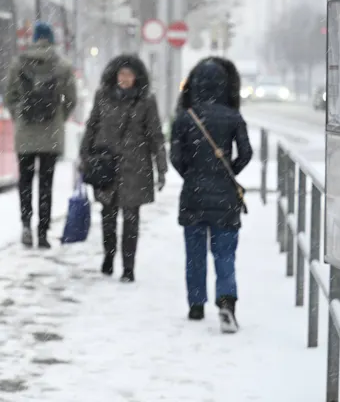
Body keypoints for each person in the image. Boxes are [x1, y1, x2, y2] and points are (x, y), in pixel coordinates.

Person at [170, 57, 252, 332]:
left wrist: (192, 175)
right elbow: (247, 153)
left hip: (193, 194)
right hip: (225, 195)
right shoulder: (233, 116)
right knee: (224, 253)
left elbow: (176, 157)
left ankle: (196, 305)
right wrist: (230, 170)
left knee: (194, 254)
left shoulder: (185, 118)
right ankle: (226, 303)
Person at [80, 55, 167, 283]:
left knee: (131, 219)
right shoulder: (103, 97)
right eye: (121, 74)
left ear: (137, 77)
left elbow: (156, 136)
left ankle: (129, 267)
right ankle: (109, 256)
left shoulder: (146, 101)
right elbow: (92, 126)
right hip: (106, 164)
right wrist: (84, 156)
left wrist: (161, 167)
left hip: (135, 167)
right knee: (107, 216)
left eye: (129, 74)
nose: (124, 79)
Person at [5, 21, 77, 248]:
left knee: (25, 182)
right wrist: (59, 118)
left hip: (25, 133)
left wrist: (19, 117)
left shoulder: (19, 63)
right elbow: (71, 99)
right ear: (52, 39)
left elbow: (9, 96)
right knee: (46, 184)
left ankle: (26, 225)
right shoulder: (63, 65)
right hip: (51, 134)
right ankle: (43, 231)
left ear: (35, 38)